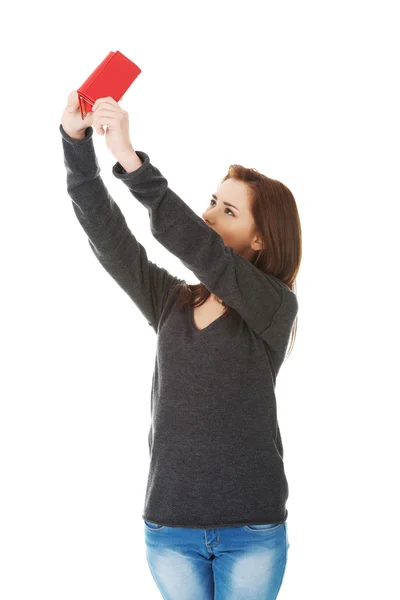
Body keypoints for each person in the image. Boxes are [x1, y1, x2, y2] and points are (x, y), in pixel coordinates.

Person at [60, 90, 302, 600]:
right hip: (170, 530)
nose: (209, 214)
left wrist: (130, 160)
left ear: (260, 239)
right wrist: (76, 144)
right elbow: (108, 237)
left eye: (228, 210)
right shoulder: (170, 303)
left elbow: (203, 251)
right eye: (211, 201)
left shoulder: (273, 307)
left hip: (252, 531)